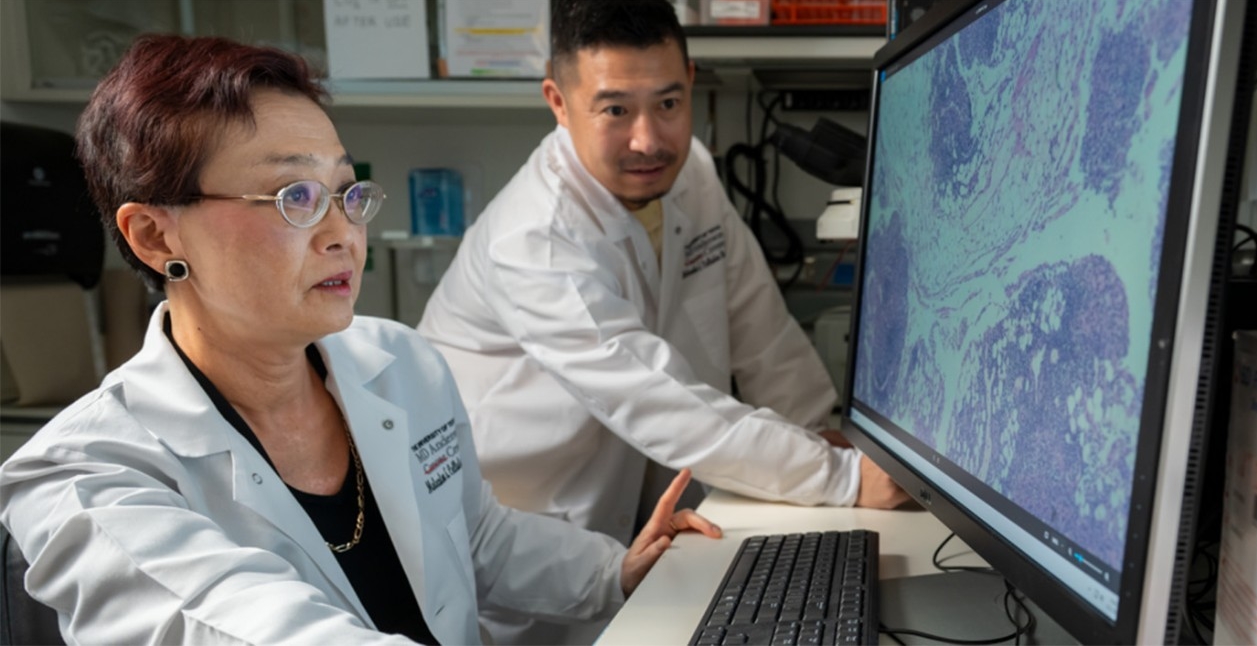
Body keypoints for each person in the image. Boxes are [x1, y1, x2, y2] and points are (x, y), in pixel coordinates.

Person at [0, 34, 721, 645]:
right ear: (156, 235)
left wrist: (615, 571)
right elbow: (253, 626)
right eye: (294, 198)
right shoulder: (83, 476)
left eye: (346, 191)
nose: (343, 232)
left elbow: (474, 539)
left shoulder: (398, 363)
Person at [418, 0, 909, 642]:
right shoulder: (534, 241)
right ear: (559, 103)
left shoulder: (691, 173)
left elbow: (758, 324)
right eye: (615, 109)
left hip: (639, 538)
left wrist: (821, 430)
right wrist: (842, 479)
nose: (648, 139)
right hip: (530, 568)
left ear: (692, 83)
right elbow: (660, 400)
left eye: (668, 104)